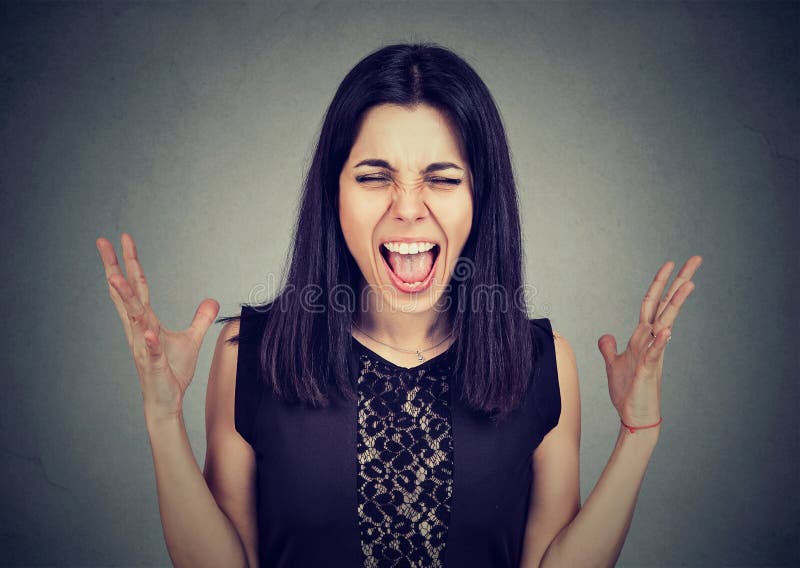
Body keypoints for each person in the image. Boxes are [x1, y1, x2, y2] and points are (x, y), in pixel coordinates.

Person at [96, 42, 702, 568]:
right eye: (373, 176)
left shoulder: (542, 363)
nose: (408, 207)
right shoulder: (249, 357)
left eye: (442, 178)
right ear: (332, 194)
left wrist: (637, 432)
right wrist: (162, 419)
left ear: (481, 199)